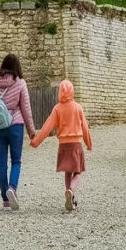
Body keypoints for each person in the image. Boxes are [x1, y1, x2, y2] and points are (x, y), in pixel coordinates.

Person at [30, 79, 92, 212]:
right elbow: (85, 127)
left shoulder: (57, 108)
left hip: (63, 145)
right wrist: (88, 143)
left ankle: (69, 196)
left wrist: (36, 141)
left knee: (67, 172)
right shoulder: (78, 107)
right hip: (76, 144)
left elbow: (47, 127)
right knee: (78, 172)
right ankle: (71, 191)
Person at [0, 54, 36, 211]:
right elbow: (26, 109)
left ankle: (5, 201)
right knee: (16, 160)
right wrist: (31, 130)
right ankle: (12, 188)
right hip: (16, 125)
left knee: (1, 162)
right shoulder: (20, 83)